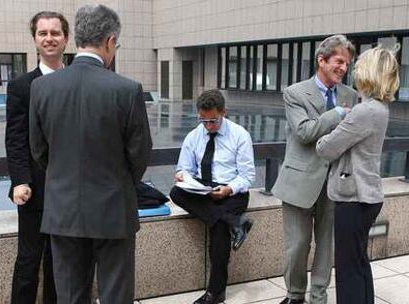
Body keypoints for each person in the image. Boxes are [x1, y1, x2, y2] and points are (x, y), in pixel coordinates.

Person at [28, 4, 152, 304]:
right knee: (116, 296)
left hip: (63, 210)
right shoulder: (127, 89)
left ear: (77, 37)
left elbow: (38, 150)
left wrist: (63, 177)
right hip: (113, 210)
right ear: (110, 41)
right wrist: (117, 180)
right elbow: (139, 155)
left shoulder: (42, 87)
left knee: (70, 296)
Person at [271, 34, 358, 304]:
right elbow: (305, 132)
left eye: (347, 64)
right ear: (321, 60)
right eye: (339, 61)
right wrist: (338, 114)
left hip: (335, 184)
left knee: (325, 247)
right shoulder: (295, 92)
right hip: (299, 184)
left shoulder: (351, 95)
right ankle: (295, 295)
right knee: (297, 247)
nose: (344, 68)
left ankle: (318, 297)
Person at [316, 45, 400, 304]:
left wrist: (339, 124)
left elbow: (325, 148)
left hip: (353, 198)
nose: (354, 70)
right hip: (369, 196)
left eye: (360, 66)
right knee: (359, 263)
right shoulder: (381, 108)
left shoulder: (365, 111)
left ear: (370, 73)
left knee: (347, 269)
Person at [5, 11, 69, 304]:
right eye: (43, 33)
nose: (49, 38)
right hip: (34, 190)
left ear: (66, 39)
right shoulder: (21, 86)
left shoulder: (77, 82)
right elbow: (15, 139)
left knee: (61, 264)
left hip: (70, 190)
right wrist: (20, 181)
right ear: (34, 40)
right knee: (28, 262)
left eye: (55, 32)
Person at [170, 89, 255, 304]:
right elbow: (184, 168)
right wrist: (182, 176)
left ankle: (215, 292)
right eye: (203, 120)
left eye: (213, 121)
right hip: (203, 188)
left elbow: (247, 176)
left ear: (223, 113)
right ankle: (235, 222)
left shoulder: (240, 135)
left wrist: (228, 189)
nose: (207, 125)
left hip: (231, 191)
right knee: (175, 192)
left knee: (219, 231)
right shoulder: (194, 135)